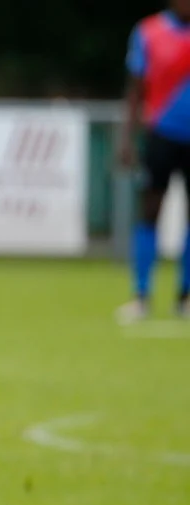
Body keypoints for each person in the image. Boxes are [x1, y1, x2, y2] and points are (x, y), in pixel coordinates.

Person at [119, 0, 190, 323]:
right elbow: (135, 88)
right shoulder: (149, 32)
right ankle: (141, 295)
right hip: (160, 134)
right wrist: (126, 138)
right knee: (150, 211)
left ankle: (185, 297)